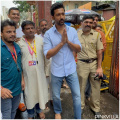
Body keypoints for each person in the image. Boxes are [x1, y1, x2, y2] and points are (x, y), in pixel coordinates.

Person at [43, 2, 82, 119]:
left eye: (63, 14)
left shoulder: (72, 31)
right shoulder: (48, 34)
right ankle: (58, 112)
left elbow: (79, 48)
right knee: (55, 95)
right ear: (52, 17)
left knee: (77, 95)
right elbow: (47, 55)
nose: (61, 17)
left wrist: (68, 42)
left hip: (71, 69)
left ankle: (78, 117)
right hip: (56, 69)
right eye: (58, 15)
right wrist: (61, 43)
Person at [17, 20, 48, 119]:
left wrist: (46, 72)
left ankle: (39, 111)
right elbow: (18, 61)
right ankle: (30, 114)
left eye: (32, 28)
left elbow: (46, 57)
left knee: (39, 93)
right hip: (27, 76)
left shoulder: (41, 41)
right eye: (27, 28)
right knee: (29, 95)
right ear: (23, 30)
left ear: (34, 29)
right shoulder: (19, 43)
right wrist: (21, 78)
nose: (30, 30)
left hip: (40, 74)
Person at [77, 15, 103, 118]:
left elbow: (99, 52)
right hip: (81, 64)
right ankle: (81, 107)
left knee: (95, 87)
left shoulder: (97, 35)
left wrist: (99, 67)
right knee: (81, 87)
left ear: (93, 24)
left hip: (94, 64)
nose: (88, 24)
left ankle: (95, 108)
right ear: (82, 23)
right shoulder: (76, 34)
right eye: (86, 22)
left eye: (90, 22)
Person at [1, 19, 23, 119]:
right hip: (5, 91)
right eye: (8, 32)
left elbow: (19, 64)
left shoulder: (17, 47)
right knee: (6, 115)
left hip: (17, 88)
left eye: (14, 31)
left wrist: (22, 79)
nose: (12, 34)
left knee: (13, 112)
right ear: (1, 33)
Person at [8, 7, 26, 112]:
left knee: (21, 84)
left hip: (21, 61)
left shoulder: (22, 30)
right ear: (8, 15)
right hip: (8, 62)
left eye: (17, 14)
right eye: (13, 14)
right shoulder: (3, 28)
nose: (16, 16)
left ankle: (20, 102)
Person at [85, 15, 107, 100]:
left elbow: (104, 46)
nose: (95, 21)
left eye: (96, 20)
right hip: (86, 60)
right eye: (93, 20)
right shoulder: (85, 31)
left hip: (96, 59)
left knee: (94, 79)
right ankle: (85, 95)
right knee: (85, 79)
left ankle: (90, 96)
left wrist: (97, 51)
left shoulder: (100, 33)